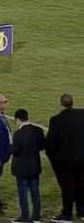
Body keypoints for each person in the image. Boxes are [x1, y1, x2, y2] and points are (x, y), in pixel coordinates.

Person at [46, 94, 84, 223]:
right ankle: (82, 212)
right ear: (72, 103)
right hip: (82, 160)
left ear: (61, 104)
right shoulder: (82, 114)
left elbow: (50, 144)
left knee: (67, 189)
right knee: (81, 186)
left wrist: (54, 162)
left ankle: (67, 215)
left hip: (64, 163)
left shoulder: (56, 120)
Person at [10, 108, 45, 223]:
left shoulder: (18, 134)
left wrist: (9, 147)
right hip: (35, 166)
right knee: (35, 192)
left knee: (23, 193)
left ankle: (25, 217)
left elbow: (15, 151)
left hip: (22, 169)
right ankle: (36, 217)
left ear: (18, 119)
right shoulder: (38, 130)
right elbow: (41, 146)